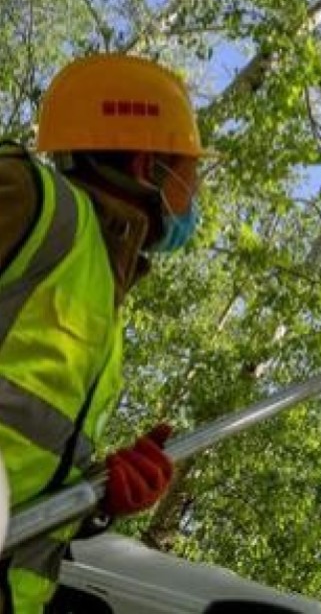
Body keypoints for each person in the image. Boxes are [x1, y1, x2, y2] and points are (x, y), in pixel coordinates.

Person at [0, 53, 204, 613]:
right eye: (191, 171)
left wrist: (98, 491)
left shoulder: (103, 296)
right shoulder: (33, 202)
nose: (196, 194)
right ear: (149, 167)